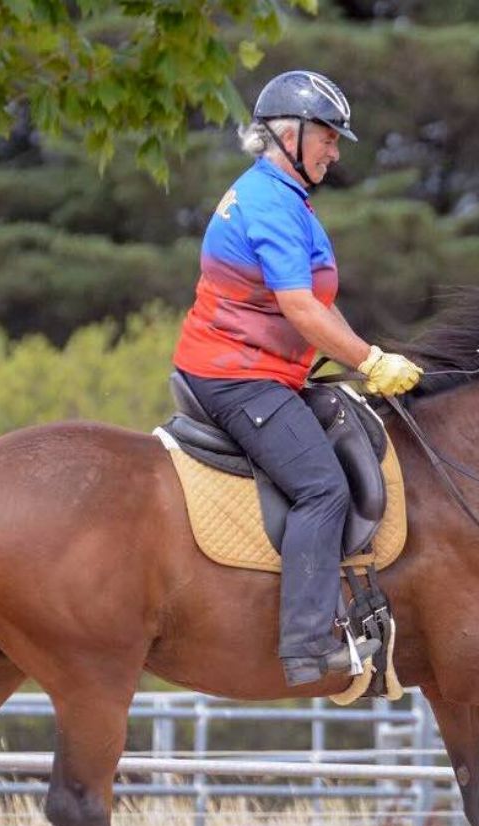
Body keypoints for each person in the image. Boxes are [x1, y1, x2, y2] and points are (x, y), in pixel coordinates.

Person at [172, 70, 422, 687]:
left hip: (260, 369)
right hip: (237, 377)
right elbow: (302, 309)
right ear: (290, 134)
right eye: (329, 138)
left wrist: (372, 355)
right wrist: (368, 361)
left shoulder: (285, 195)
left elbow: (317, 303)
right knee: (322, 489)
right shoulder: (270, 205)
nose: (335, 152)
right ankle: (308, 646)